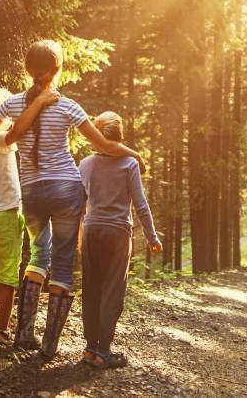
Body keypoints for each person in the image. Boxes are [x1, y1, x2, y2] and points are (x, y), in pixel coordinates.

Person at [0, 40, 146, 358]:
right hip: (65, 189)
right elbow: (104, 145)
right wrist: (135, 155)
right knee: (62, 266)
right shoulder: (68, 106)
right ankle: (49, 344)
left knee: (38, 255)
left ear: (27, 70)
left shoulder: (11, 105)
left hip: (32, 192)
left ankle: (23, 333)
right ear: (58, 69)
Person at [0, 87, 57, 346]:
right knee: (7, 272)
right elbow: (19, 131)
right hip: (6, 213)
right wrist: (38, 103)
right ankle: (3, 330)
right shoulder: (1, 142)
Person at [78, 111, 161, 368]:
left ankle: (90, 349)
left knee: (91, 289)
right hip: (117, 234)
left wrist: (75, 235)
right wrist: (152, 237)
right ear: (119, 136)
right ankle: (104, 351)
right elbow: (140, 204)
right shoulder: (129, 164)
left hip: (91, 230)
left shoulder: (86, 164)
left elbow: (78, 204)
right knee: (112, 291)